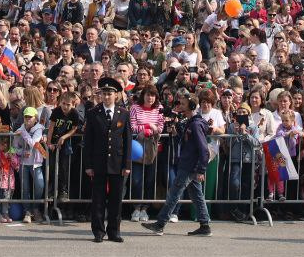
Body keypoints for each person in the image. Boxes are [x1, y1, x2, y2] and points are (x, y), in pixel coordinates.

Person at [141, 92, 212, 237]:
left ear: (192, 106)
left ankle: (160, 224)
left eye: (183, 104)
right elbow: (186, 141)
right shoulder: (190, 122)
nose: (180, 106)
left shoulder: (196, 124)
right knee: (197, 196)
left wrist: (201, 169)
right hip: (188, 164)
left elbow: (204, 150)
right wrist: (176, 131)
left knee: (173, 195)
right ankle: (205, 225)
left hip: (189, 166)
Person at [83, 76, 132, 242]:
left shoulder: (123, 114)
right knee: (98, 199)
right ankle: (98, 231)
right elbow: (88, 141)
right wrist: (88, 164)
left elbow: (127, 141)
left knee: (116, 200)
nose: (106, 97)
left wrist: (127, 164)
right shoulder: (93, 113)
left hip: (117, 163)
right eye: (104, 93)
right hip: (98, 162)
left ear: (116, 95)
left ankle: (114, 231)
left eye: (110, 93)